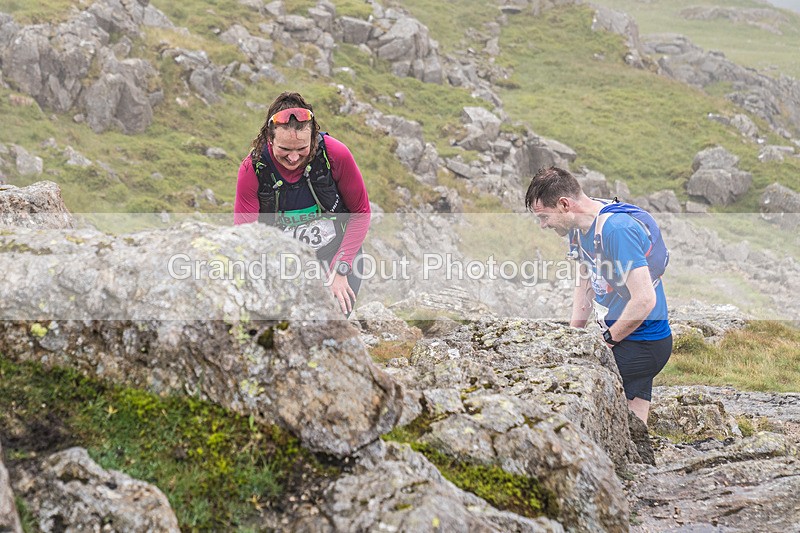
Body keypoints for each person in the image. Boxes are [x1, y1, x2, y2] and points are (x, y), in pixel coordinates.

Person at [525, 166, 672, 424]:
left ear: (564, 204)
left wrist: (606, 342)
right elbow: (586, 281)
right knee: (632, 424)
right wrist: (575, 334)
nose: (542, 226)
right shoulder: (578, 229)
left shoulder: (616, 230)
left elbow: (644, 299)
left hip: (644, 342)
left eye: (544, 217)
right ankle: (640, 460)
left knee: (573, 392)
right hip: (625, 337)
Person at [235, 91, 370, 315]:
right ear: (269, 139)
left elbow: (361, 213)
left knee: (327, 328)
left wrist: (341, 268)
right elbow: (245, 237)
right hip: (283, 266)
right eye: (285, 149)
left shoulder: (335, 154)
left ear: (313, 137)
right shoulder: (253, 169)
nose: (294, 158)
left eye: (302, 149)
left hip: (335, 257)